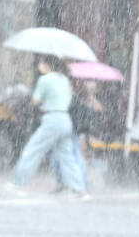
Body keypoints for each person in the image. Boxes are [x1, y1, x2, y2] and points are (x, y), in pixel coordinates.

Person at [7, 55, 87, 197]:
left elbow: (35, 101)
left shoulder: (45, 80)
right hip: (65, 119)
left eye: (41, 63)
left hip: (52, 119)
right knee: (67, 157)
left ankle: (19, 183)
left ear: (46, 65)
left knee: (33, 150)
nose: (40, 65)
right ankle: (80, 189)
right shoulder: (65, 80)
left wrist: (34, 98)